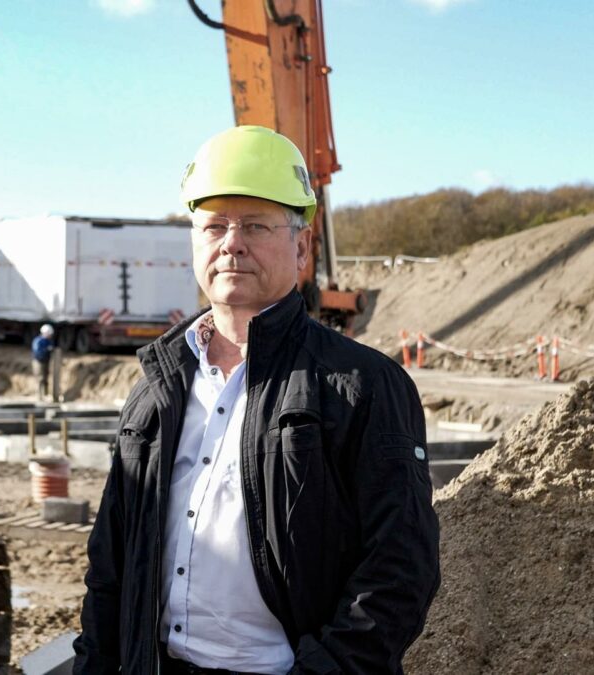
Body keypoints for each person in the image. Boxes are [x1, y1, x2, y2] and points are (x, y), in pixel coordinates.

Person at [73, 126, 440, 674]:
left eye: (255, 225)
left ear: (301, 245)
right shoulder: (155, 390)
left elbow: (398, 570)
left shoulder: (361, 385)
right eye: (214, 225)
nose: (232, 242)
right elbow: (111, 568)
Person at [32, 323, 56, 399]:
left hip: (46, 361)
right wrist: (46, 350)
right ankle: (39, 396)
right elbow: (37, 352)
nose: (50, 336)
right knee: (40, 378)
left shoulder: (48, 341)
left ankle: (45, 394)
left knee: (45, 378)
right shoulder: (38, 341)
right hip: (38, 361)